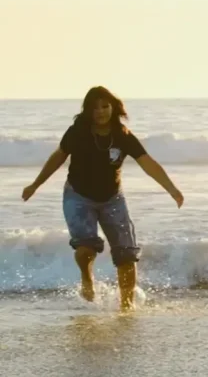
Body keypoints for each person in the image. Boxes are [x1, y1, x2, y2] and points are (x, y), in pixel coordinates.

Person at [21, 86, 184, 310]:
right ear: (88, 110)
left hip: (113, 199)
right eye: (95, 107)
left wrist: (172, 189)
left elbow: (147, 162)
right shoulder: (78, 132)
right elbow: (58, 157)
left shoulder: (123, 135)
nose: (101, 111)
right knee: (86, 248)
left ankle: (126, 308)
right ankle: (87, 280)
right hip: (78, 197)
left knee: (126, 254)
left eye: (105, 106)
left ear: (113, 108)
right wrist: (35, 184)